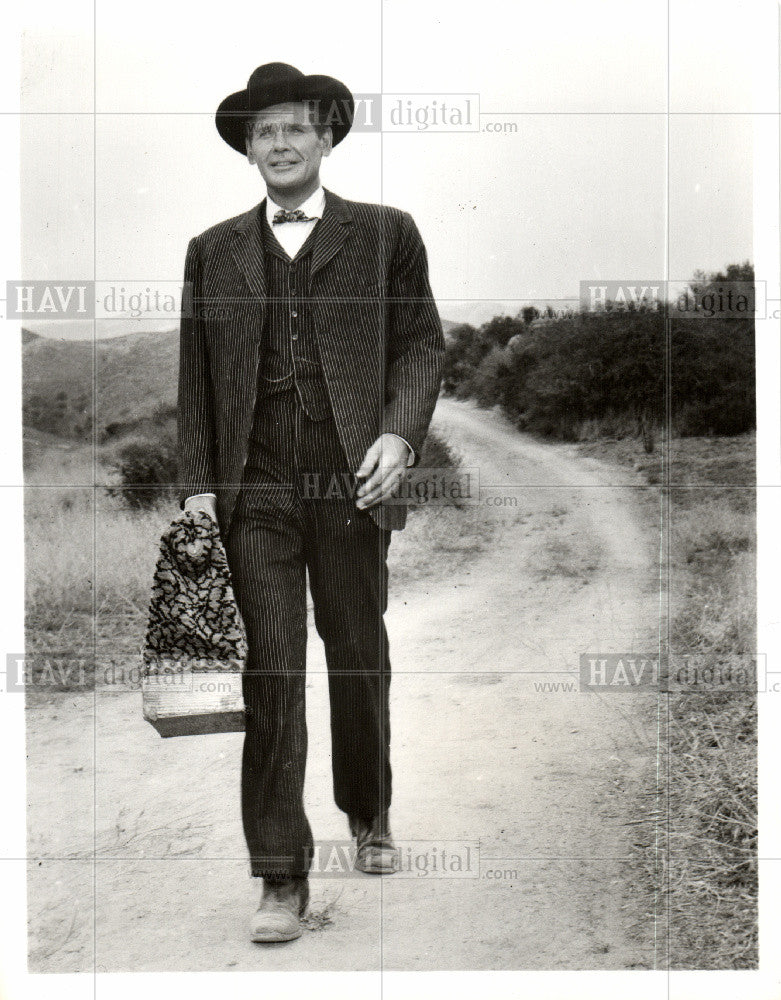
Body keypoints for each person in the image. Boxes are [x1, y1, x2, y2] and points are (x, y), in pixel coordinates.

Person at [176, 62, 444, 942]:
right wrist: (197, 488)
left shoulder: (385, 234)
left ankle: (368, 812)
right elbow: (196, 380)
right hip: (254, 489)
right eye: (263, 132)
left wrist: (399, 438)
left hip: (351, 483)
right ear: (248, 150)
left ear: (326, 136)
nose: (280, 143)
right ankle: (280, 878)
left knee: (358, 654)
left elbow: (418, 346)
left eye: (295, 127)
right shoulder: (212, 250)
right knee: (272, 670)